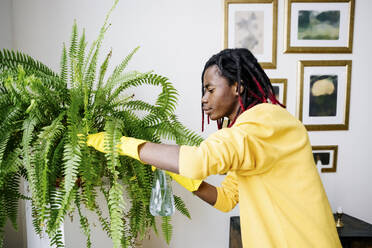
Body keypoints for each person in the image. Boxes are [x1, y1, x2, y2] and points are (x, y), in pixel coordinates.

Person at [87, 48, 341, 247]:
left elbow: (199, 161)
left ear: (237, 87)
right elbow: (226, 199)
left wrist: (119, 144)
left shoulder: (265, 120)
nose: (203, 98)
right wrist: (180, 175)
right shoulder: (252, 135)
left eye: (210, 89)